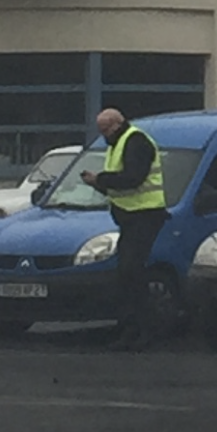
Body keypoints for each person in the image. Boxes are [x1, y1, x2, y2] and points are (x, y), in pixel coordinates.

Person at [80, 108, 168, 351]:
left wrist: (102, 179)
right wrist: (98, 184)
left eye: (106, 130)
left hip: (145, 215)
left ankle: (146, 330)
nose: (104, 136)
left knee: (132, 271)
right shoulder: (118, 144)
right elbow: (119, 188)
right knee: (126, 273)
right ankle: (132, 329)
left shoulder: (136, 142)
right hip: (130, 217)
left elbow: (133, 178)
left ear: (117, 124)